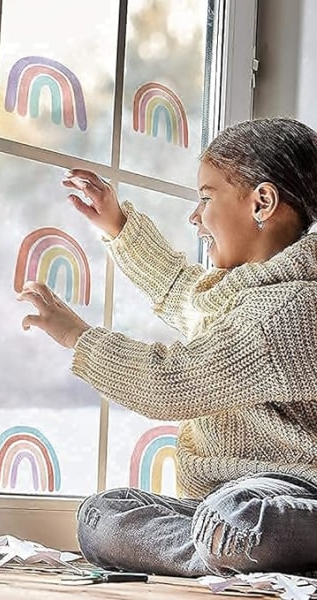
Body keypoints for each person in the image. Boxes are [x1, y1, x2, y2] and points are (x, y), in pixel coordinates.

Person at [17, 117, 317, 577]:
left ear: (262, 202)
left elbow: (171, 382)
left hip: (290, 493)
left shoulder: (288, 312)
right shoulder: (237, 295)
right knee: (101, 516)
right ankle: (223, 547)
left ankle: (230, 542)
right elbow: (182, 293)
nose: (195, 217)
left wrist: (78, 337)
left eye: (205, 197)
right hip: (216, 504)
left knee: (240, 517)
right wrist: (118, 226)